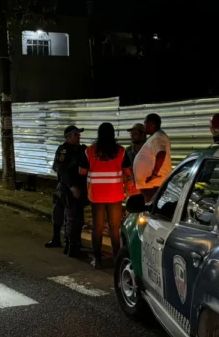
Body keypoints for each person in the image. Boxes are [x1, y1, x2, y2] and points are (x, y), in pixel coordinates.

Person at [80, 122, 134, 269]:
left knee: (97, 228)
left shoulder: (90, 151)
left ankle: (97, 260)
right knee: (114, 229)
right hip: (114, 195)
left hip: (96, 195)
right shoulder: (121, 151)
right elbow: (128, 172)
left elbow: (82, 171)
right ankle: (117, 259)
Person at [49, 125, 87, 257]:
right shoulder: (64, 150)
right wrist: (71, 186)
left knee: (76, 218)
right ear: (68, 137)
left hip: (78, 188)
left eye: (79, 134)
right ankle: (71, 247)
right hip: (68, 189)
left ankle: (72, 244)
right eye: (76, 134)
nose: (79, 136)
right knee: (70, 218)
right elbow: (60, 169)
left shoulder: (81, 149)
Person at [133, 113, 172, 203]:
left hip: (153, 184)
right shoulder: (156, 136)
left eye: (145, 123)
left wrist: (154, 174)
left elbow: (161, 154)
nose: (144, 125)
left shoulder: (158, 137)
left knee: (150, 207)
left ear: (152, 124)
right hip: (151, 184)